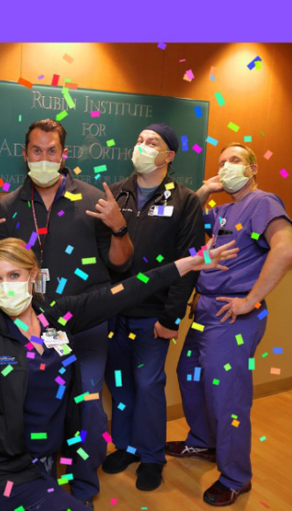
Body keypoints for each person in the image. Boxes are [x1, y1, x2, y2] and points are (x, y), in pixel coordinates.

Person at [0, 236, 238, 511]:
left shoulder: (55, 313)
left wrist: (188, 264)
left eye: (14, 276)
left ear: (33, 275)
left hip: (46, 459)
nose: (4, 287)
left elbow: (120, 293)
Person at [0, 118, 133, 507]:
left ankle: (84, 490)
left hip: (87, 323)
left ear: (64, 154)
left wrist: (119, 229)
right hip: (35, 326)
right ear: (25, 154)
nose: (44, 158)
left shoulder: (94, 199)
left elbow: (121, 265)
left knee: (87, 407)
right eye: (36, 151)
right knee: (40, 409)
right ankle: (41, 488)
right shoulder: (8, 206)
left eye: (52, 151)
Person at [166, 143, 292, 507]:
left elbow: (286, 248)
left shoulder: (263, 203)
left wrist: (250, 300)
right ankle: (204, 442)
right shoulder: (220, 209)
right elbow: (178, 218)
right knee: (189, 375)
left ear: (253, 168)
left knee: (228, 397)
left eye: (235, 161)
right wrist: (206, 190)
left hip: (232, 316)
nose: (226, 167)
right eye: (221, 162)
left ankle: (236, 476)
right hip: (203, 312)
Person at [101, 123, 205, 491]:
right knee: (120, 384)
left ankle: (152, 456)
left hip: (155, 316)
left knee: (147, 385)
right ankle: (126, 446)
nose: (142, 146)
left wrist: (171, 316)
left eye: (153, 142)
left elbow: (190, 261)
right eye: (140, 140)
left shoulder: (186, 200)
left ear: (169, 155)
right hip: (115, 311)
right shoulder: (116, 194)